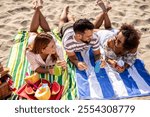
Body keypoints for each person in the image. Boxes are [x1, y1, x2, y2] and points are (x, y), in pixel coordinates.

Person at [94, 0, 141, 72]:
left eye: (119, 42)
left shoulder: (132, 47)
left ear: (127, 46)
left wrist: (124, 67)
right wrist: (111, 61)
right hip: (106, 36)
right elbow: (106, 57)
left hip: (117, 33)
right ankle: (104, 11)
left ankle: (105, 11)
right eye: (116, 38)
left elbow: (130, 60)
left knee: (109, 28)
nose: (115, 40)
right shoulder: (111, 42)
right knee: (93, 28)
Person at [26, 0, 66, 74]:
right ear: (42, 50)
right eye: (52, 47)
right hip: (34, 40)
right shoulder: (30, 53)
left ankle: (37, 8)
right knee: (33, 32)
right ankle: (37, 9)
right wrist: (49, 71)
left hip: (49, 39)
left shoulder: (57, 47)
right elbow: (36, 68)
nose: (55, 47)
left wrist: (63, 64)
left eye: (54, 45)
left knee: (48, 31)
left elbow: (62, 63)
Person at [58, 6, 101, 71]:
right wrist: (77, 63)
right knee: (62, 21)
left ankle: (69, 14)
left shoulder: (94, 37)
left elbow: (97, 54)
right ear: (78, 36)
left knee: (71, 20)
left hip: (74, 27)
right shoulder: (68, 42)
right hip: (66, 29)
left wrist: (98, 62)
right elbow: (71, 56)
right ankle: (65, 9)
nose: (91, 37)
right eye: (88, 36)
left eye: (91, 34)